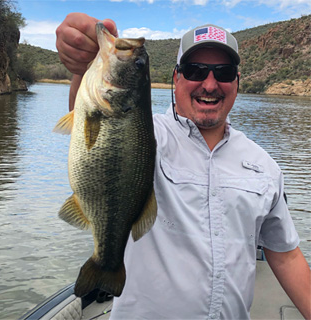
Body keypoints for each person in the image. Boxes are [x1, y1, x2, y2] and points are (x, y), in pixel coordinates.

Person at [56, 13, 311, 320]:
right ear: (176, 78)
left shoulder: (263, 165)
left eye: (224, 72)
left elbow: (285, 255)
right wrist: (81, 68)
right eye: (195, 70)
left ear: (237, 82)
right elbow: (95, 132)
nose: (210, 83)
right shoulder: (149, 135)